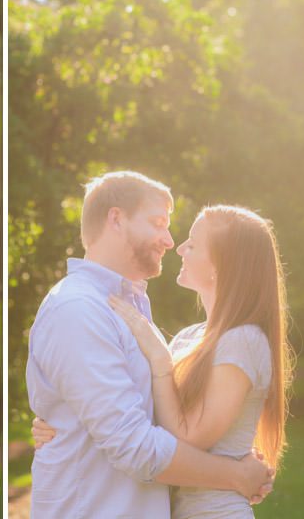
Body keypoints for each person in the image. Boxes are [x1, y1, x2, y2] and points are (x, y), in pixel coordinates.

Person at [25, 171, 275, 518]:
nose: (170, 241)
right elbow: (134, 445)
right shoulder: (79, 309)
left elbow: (156, 414)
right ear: (116, 219)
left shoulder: (129, 307)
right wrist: (235, 474)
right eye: (158, 223)